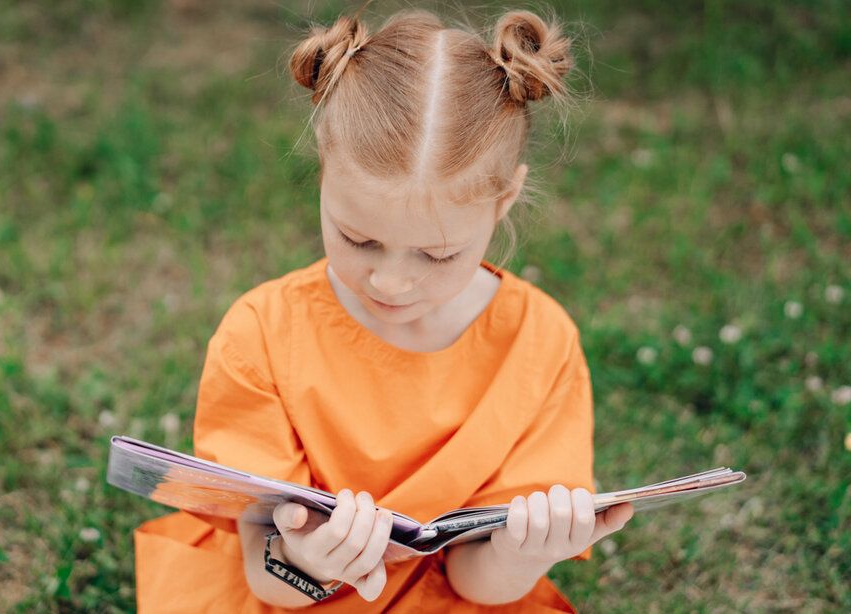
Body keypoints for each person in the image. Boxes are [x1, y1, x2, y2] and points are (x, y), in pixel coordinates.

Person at [134, 7, 634, 612]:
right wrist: (305, 562)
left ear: (503, 201)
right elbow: (264, 571)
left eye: (437, 254)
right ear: (323, 168)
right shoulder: (263, 333)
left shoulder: (539, 344)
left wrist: (523, 553)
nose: (392, 281)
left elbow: (479, 584)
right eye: (359, 240)